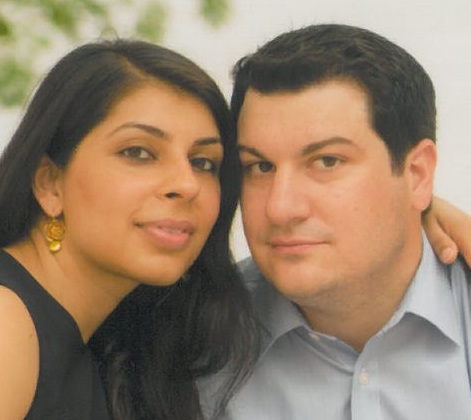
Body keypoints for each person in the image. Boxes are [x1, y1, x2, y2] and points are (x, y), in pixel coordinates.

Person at [199, 24, 471, 419]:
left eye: (327, 161)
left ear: (417, 174)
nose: (280, 208)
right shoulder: (184, 342)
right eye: (260, 166)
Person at [0, 38, 259, 419]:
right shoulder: (7, 324)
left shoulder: (111, 345)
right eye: (138, 152)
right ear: (50, 183)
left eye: (203, 162)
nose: (186, 184)